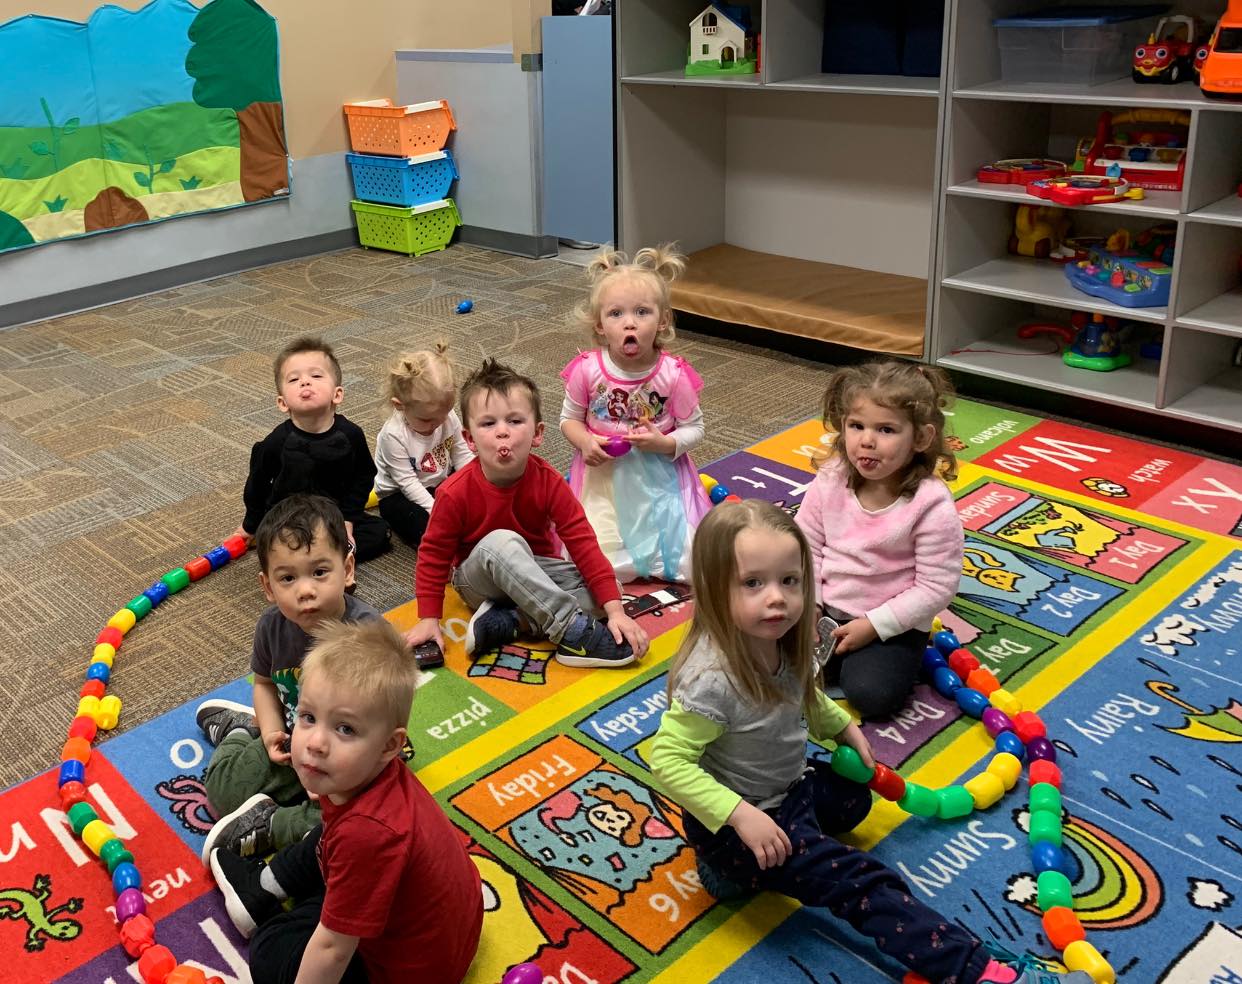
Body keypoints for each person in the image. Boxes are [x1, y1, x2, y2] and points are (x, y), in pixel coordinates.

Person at [649, 500, 1090, 984]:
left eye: (789, 581)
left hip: (789, 791)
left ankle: (766, 858)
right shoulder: (710, 679)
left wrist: (840, 725)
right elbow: (667, 760)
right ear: (714, 591)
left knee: (853, 798)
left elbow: (802, 696)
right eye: (753, 583)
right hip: (740, 826)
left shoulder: (781, 636)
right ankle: (981, 972)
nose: (776, 598)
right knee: (862, 883)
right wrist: (739, 815)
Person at [209, 618, 482, 984]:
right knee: (324, 838)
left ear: (390, 745)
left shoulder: (367, 834)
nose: (316, 742)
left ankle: (265, 900)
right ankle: (264, 885)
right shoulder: (378, 777)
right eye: (307, 717)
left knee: (270, 950)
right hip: (444, 926)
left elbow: (333, 950)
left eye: (345, 729)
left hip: (396, 970)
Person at [404, 357, 649, 668]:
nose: (502, 433)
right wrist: (429, 618)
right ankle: (570, 630)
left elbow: (582, 542)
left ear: (538, 433)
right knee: (503, 542)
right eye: (488, 423)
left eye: (515, 421)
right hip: (478, 580)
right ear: (469, 439)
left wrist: (615, 612)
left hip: (536, 573)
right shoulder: (453, 492)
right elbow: (433, 554)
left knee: (610, 589)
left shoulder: (549, 481)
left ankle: (514, 620)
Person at [197, 494, 381, 863]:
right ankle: (242, 730)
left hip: (347, 753)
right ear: (268, 587)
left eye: (319, 572)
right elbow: (264, 683)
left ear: (347, 570)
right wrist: (268, 734)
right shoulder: (271, 627)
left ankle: (273, 825)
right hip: (292, 739)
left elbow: (378, 723)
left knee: (361, 826)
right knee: (221, 791)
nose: (305, 590)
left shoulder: (367, 634)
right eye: (288, 578)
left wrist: (331, 771)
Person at [796, 360, 964, 719]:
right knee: (751, 647)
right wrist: (811, 604)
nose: (866, 441)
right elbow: (805, 545)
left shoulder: (930, 504)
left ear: (921, 438)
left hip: (889, 624)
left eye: (886, 430)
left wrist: (875, 626)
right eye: (856, 426)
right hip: (823, 609)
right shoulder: (832, 478)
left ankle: (877, 660)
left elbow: (936, 586)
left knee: (873, 697)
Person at [560, 245, 710, 582]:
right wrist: (585, 441)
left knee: (689, 562)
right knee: (591, 562)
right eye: (616, 314)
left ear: (663, 321)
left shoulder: (673, 374)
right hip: (602, 480)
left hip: (659, 481)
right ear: (599, 325)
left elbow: (695, 428)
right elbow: (568, 419)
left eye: (642, 312)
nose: (630, 323)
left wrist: (665, 443)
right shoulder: (587, 370)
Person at [234, 335, 390, 564]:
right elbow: (256, 485)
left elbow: (364, 476)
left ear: (337, 394)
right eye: (294, 379)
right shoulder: (276, 442)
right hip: (288, 519)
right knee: (280, 546)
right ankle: (328, 557)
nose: (305, 382)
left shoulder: (350, 435)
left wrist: (347, 519)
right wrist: (250, 525)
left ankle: (321, 556)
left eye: (316, 376)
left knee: (380, 532)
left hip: (333, 516)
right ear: (282, 402)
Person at [373, 343, 474, 548]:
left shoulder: (446, 417)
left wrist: (478, 484)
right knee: (424, 525)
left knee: (477, 495)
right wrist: (437, 510)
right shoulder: (393, 435)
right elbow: (408, 482)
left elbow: (462, 454)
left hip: (438, 480)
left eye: (443, 415)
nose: (436, 424)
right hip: (399, 494)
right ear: (400, 405)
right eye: (427, 420)